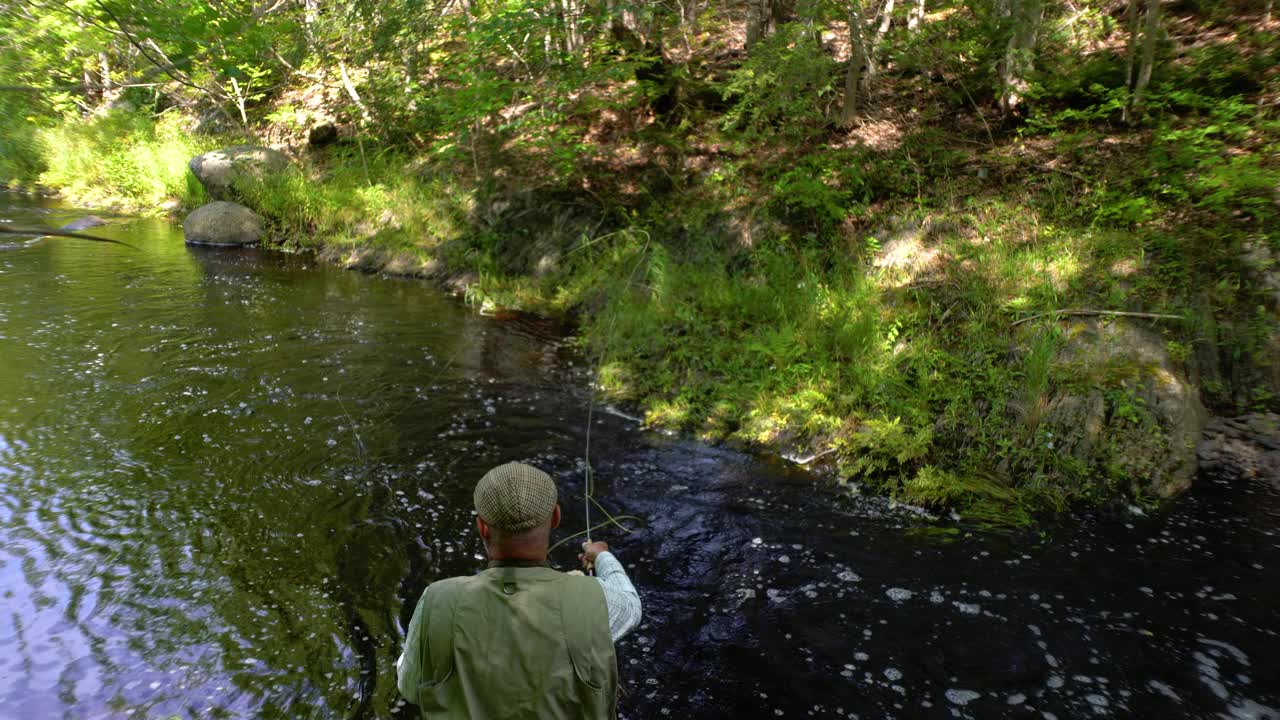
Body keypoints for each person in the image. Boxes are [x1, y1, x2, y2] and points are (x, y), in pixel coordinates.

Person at [397, 461, 642, 718]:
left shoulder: (436, 599)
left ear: (482, 527)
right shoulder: (594, 598)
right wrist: (602, 556)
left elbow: (410, 688)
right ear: (556, 517)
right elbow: (631, 605)